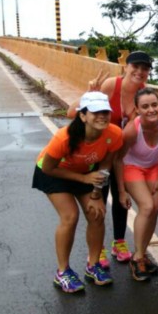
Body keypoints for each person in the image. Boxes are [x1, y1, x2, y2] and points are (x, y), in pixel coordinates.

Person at [67, 50, 153, 266]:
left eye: (145, 68)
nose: (140, 72)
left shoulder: (144, 94)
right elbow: (72, 112)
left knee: (121, 198)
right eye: (136, 67)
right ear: (126, 67)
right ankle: (97, 248)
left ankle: (119, 241)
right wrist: (89, 94)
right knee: (97, 200)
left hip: (121, 156)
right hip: (98, 155)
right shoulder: (110, 86)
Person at [34, 92, 123, 293]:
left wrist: (96, 194)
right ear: (83, 116)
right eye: (95, 112)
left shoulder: (114, 134)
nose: (102, 116)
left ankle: (93, 266)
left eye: (105, 112)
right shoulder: (64, 137)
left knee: (97, 214)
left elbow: (106, 164)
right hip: (53, 173)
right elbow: (49, 168)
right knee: (70, 216)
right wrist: (84, 180)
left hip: (87, 172)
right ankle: (63, 272)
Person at [115, 88, 158, 281]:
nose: (151, 110)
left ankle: (141, 254)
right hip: (132, 166)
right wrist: (121, 190)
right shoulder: (132, 130)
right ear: (137, 109)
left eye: (154, 105)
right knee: (147, 206)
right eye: (145, 106)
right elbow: (118, 159)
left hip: (154, 167)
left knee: (156, 207)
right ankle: (138, 257)